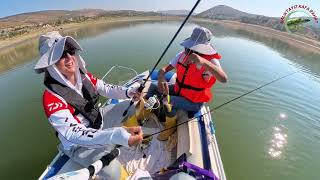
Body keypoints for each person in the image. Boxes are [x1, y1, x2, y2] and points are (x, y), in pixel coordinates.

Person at [34, 31, 143, 179]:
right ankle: (120, 141)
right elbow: (74, 133)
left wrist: (129, 92)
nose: (69, 58)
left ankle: (124, 140)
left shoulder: (84, 76)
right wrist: (116, 135)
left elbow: (105, 88)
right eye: (60, 55)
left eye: (70, 51)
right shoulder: (50, 98)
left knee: (130, 107)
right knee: (114, 172)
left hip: (98, 120)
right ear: (50, 65)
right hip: (78, 144)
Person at [148, 26, 228, 141]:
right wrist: (161, 76)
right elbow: (164, 69)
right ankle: (145, 108)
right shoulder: (182, 55)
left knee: (167, 100)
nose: (189, 51)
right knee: (154, 86)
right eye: (189, 47)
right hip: (179, 90)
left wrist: (203, 61)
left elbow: (224, 79)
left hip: (194, 101)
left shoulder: (211, 61)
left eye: (195, 49)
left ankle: (170, 127)